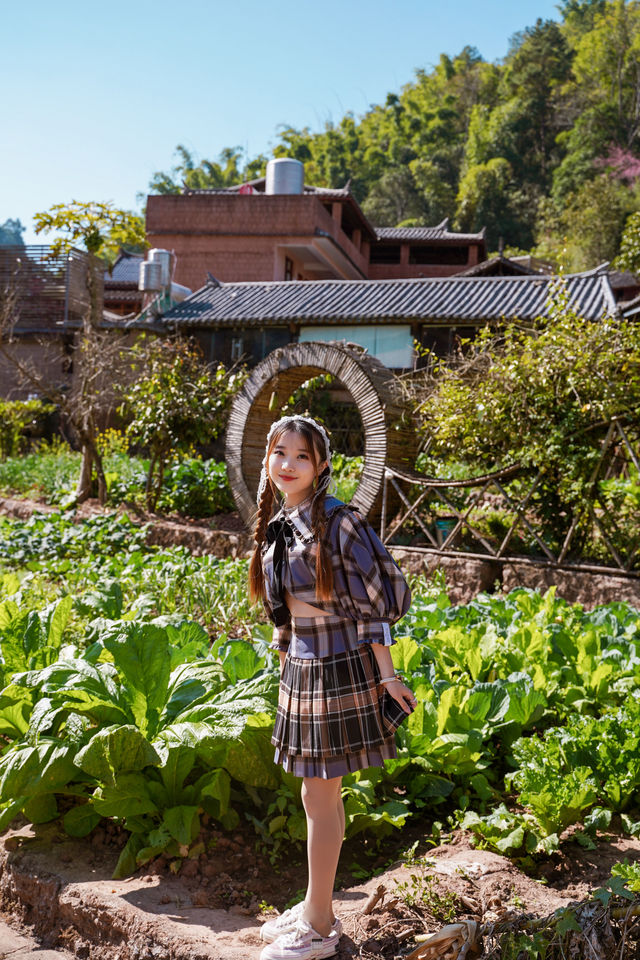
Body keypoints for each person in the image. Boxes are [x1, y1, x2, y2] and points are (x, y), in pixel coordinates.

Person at [248, 415, 416, 960]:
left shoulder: (338, 522)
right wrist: (283, 659)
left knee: (319, 798)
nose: (287, 465)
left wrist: (387, 674)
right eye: (279, 453)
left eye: (300, 456)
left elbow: (378, 598)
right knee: (315, 795)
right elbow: (284, 608)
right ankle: (316, 906)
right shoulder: (280, 521)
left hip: (338, 667)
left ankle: (319, 928)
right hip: (302, 667)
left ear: (320, 465)